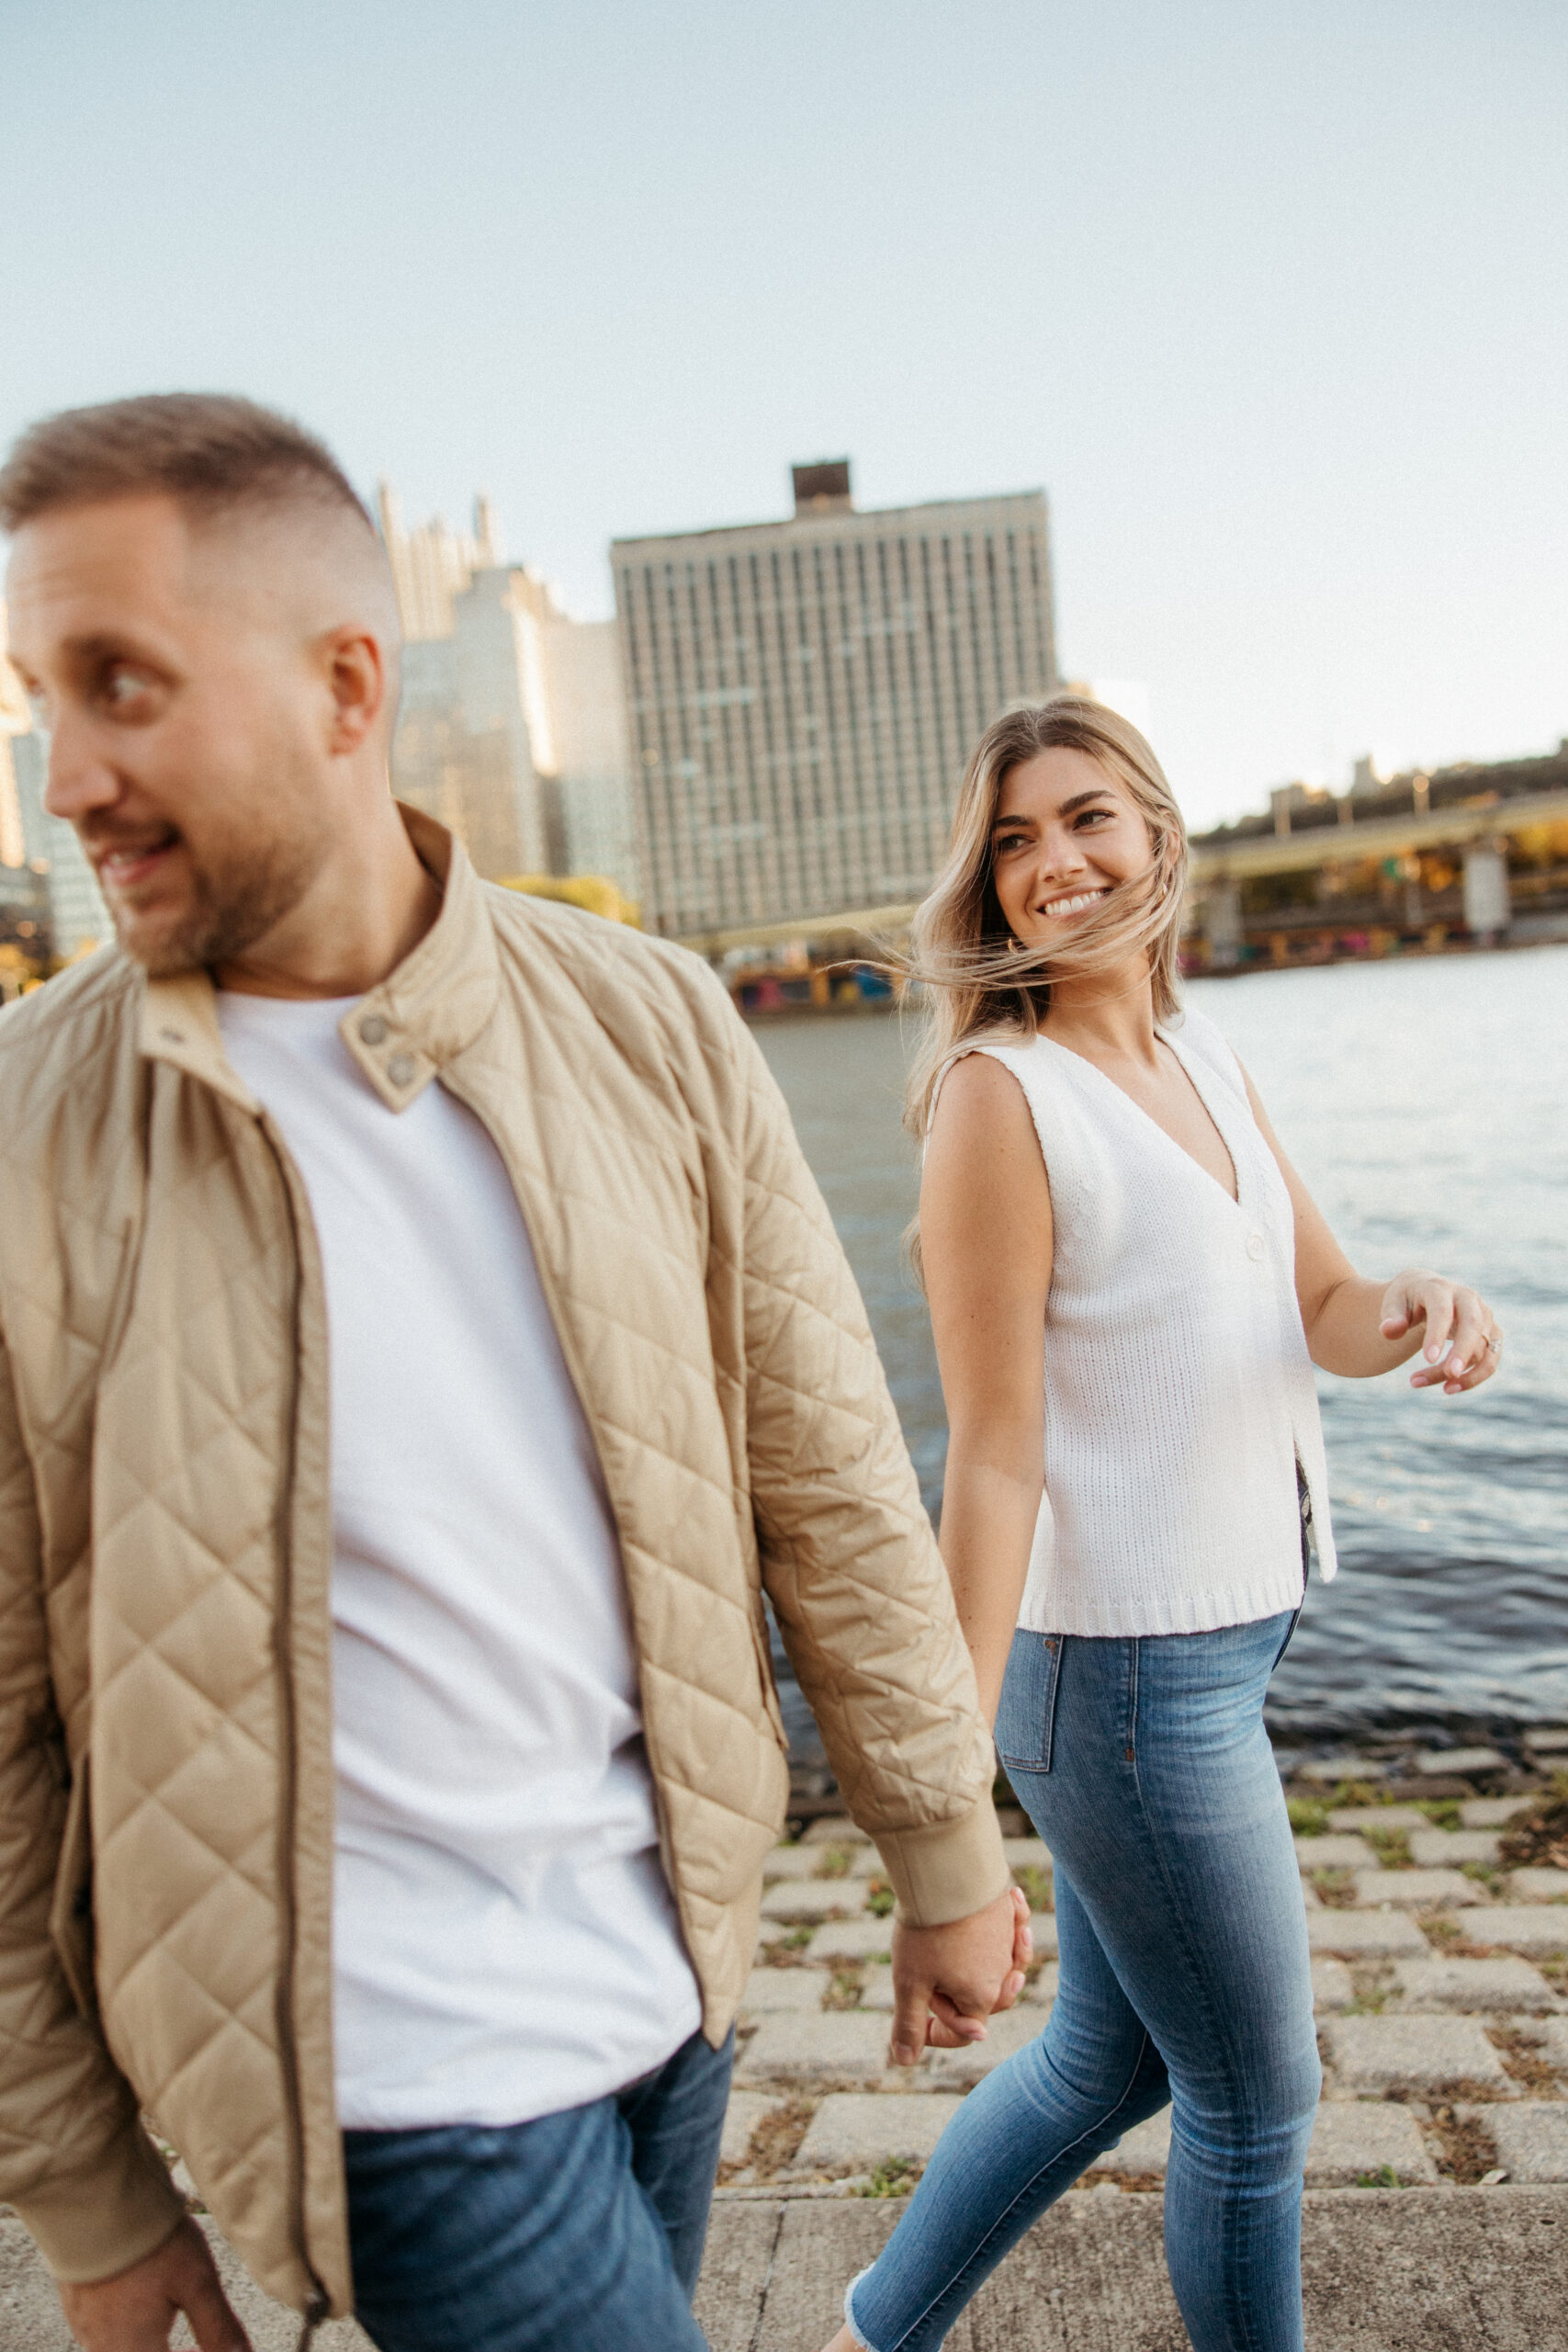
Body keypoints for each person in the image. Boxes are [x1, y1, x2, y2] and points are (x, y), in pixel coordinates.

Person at [0, 393, 1032, 2352]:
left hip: (674, 1984)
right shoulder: (25, 1133)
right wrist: (90, 2198)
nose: (67, 780)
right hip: (388, 2075)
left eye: (121, 685)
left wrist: (942, 1845)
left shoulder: (646, 1019)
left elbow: (821, 1465)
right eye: (43, 700)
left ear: (347, 683)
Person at [818, 695, 1502, 2352]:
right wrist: (951, 1806)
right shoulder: (1001, 1098)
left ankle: (866, 2338)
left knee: (1105, 2063)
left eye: (1087, 818)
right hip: (1124, 1684)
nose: (1054, 861)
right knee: (1259, 2099)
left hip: (1215, 1649)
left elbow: (1321, 1305)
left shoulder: (1202, 1055)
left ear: (1158, 835)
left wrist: (1413, 1300)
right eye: (1014, 840)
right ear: (987, 885)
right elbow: (992, 1460)